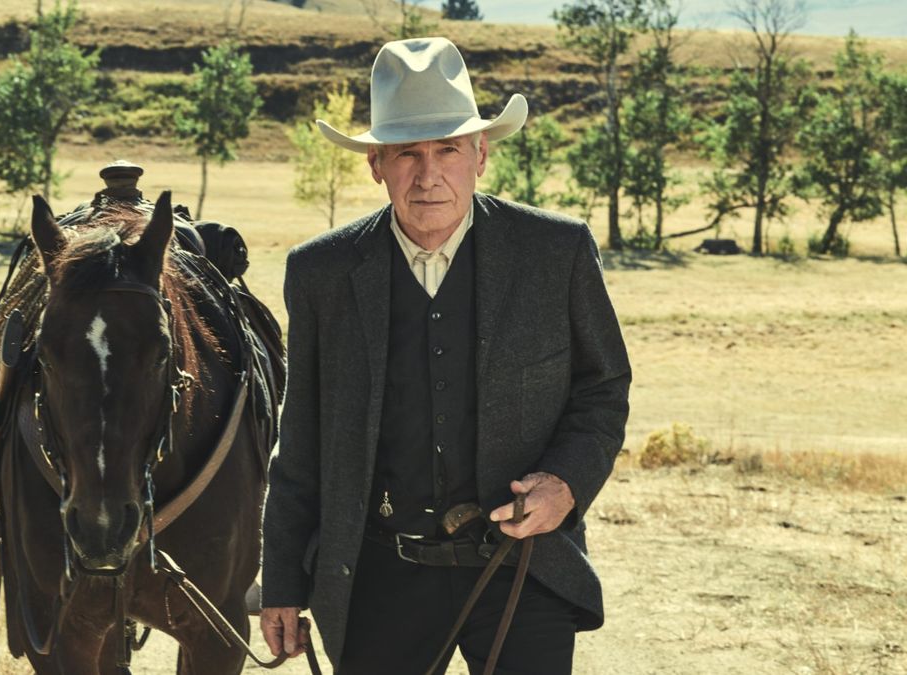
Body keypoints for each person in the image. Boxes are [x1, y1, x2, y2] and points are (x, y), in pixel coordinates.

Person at [259, 37, 631, 674]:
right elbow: (302, 438)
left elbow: (603, 386)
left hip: (523, 567)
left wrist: (565, 484)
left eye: (448, 150)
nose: (428, 175)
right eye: (407, 154)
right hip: (378, 574)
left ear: (480, 154)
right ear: (376, 163)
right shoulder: (321, 271)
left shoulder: (556, 252)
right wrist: (283, 582)